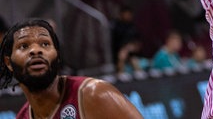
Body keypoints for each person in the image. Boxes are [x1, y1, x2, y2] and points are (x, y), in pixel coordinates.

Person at [0, 18, 143, 118]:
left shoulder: (94, 94)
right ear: (8, 63)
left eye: (45, 44)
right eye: (24, 46)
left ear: (57, 55)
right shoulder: (22, 117)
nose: (36, 50)